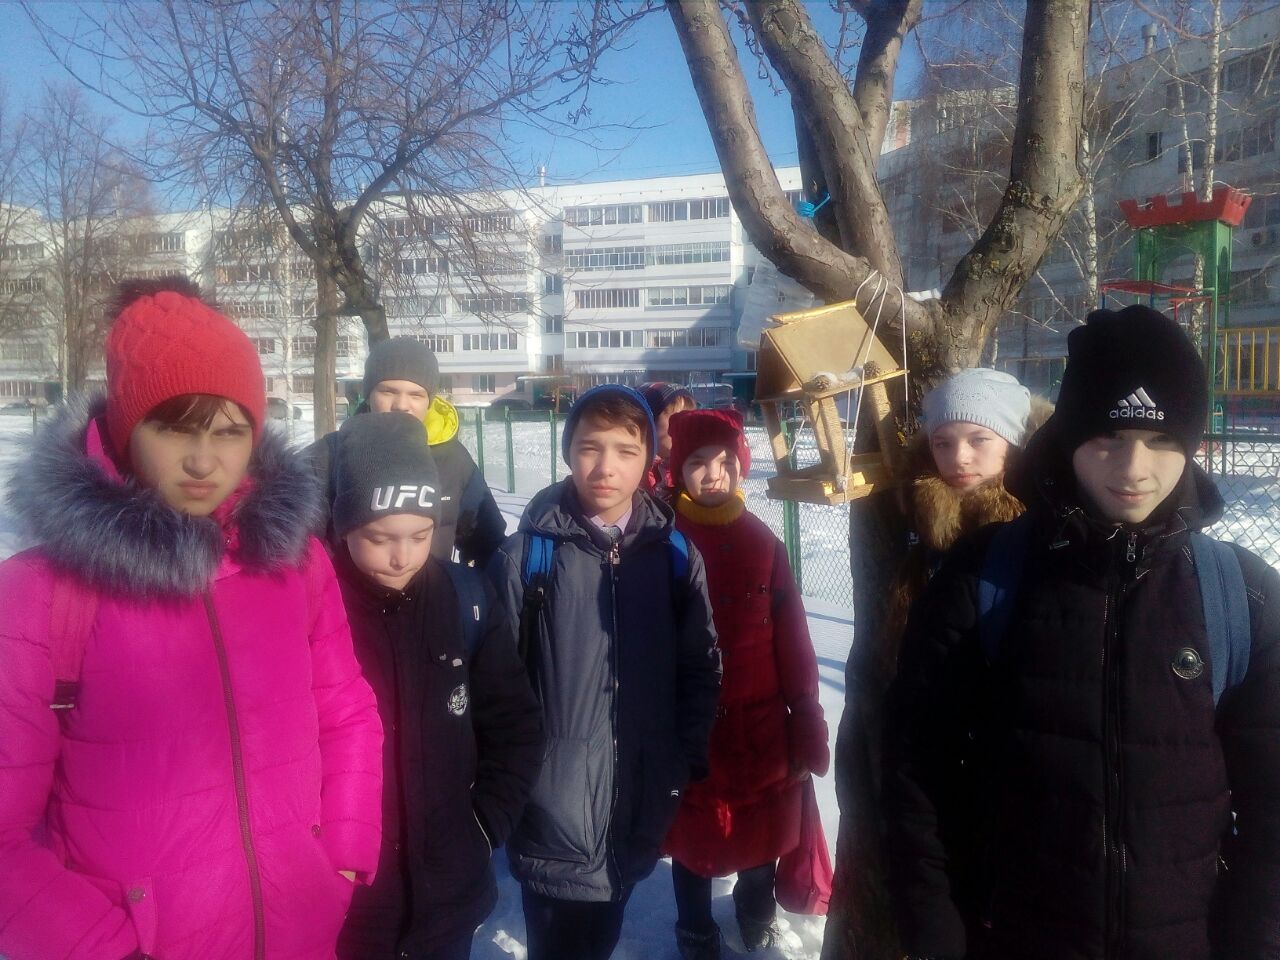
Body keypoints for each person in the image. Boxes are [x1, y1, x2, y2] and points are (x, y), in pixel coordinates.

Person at [0, 278, 383, 960]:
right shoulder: (43, 594)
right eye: (174, 427)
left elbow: (346, 711)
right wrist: (105, 948)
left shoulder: (295, 564)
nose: (204, 461)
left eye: (230, 432)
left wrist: (342, 860)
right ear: (127, 429)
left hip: (302, 932)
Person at [883, 306, 1280, 960]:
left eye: (1161, 440)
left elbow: (1270, 804)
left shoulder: (1242, 595)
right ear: (1069, 438)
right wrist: (937, 932)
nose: (1133, 467)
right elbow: (918, 770)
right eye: (1108, 437)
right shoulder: (985, 577)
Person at [486, 383, 722, 960]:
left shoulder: (675, 556)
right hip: (549, 809)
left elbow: (700, 665)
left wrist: (680, 758)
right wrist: (513, 778)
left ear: (649, 461)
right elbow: (493, 683)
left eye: (626, 450)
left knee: (601, 936)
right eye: (590, 447)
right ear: (568, 451)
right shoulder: (525, 558)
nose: (606, 467)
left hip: (639, 797)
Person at [829, 368, 1038, 959]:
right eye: (943, 442)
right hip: (926, 755)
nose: (959, 458)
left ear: (1014, 442)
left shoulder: (1035, 527)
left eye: (979, 439)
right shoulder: (920, 522)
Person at [327, 412, 543, 960]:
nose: (402, 555)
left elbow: (515, 724)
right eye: (379, 537)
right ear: (344, 526)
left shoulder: (466, 598)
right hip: (348, 907)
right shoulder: (315, 608)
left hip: (449, 894)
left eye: (420, 535)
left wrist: (483, 825)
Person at [660, 408, 829, 960]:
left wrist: (806, 716)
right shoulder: (661, 544)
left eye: (725, 461)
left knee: (761, 840)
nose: (713, 474)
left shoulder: (764, 544)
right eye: (697, 462)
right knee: (692, 842)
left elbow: (794, 640)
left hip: (761, 730)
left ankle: (756, 916)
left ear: (742, 466)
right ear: (677, 470)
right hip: (689, 730)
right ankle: (694, 930)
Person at [309, 336, 506, 566]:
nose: (401, 405)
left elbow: (488, 545)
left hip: (432, 589)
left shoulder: (454, 459)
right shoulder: (327, 457)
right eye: (388, 391)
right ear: (369, 394)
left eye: (416, 395)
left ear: (429, 402)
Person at [639, 381, 696, 496]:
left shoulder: (694, 470)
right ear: (649, 423)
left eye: (690, 419)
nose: (686, 426)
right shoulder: (634, 474)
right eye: (676, 419)